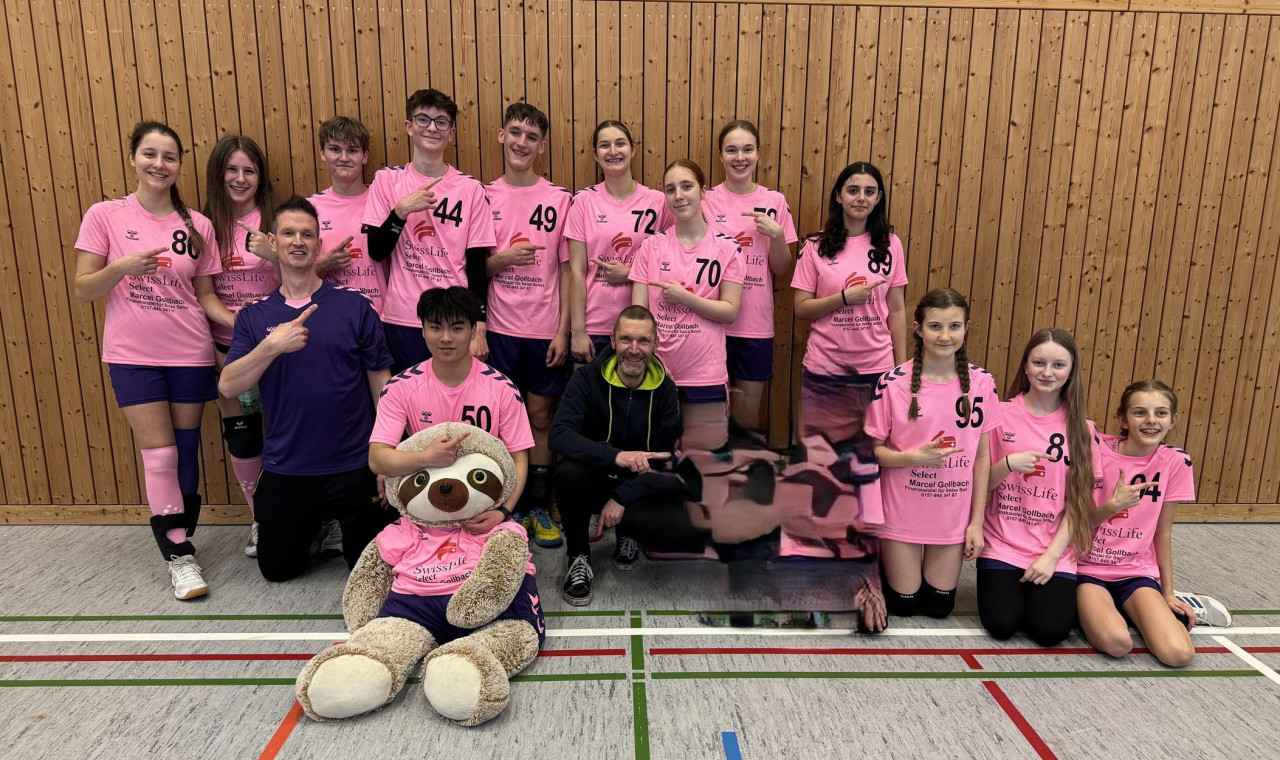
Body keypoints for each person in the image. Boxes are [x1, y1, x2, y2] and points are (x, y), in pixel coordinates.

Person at [73, 121, 231, 600]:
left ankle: (182, 535)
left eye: (169, 157)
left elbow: (205, 296)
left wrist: (244, 323)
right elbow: (84, 288)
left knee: (185, 448)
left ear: (179, 164)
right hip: (133, 355)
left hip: (190, 352)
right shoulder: (105, 215)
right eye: (150, 154)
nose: (159, 164)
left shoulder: (198, 225)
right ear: (133, 158)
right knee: (159, 454)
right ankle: (180, 557)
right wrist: (122, 267)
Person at [219, 196, 394, 582]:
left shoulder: (355, 307)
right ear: (273, 242)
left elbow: (382, 386)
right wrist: (271, 346)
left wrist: (386, 458)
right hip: (288, 467)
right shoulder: (254, 316)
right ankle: (315, 523)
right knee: (277, 571)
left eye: (307, 234)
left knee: (373, 575)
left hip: (353, 466)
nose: (298, 241)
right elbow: (229, 385)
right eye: (288, 233)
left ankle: (335, 523)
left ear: (318, 244)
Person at [864, 288, 1000, 630]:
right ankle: (868, 571)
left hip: (950, 516)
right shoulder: (891, 383)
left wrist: (976, 523)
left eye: (954, 326)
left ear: (966, 328)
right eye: (935, 326)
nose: (945, 335)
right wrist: (914, 457)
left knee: (940, 608)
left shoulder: (983, 383)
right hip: (902, 512)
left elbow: (982, 458)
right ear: (918, 329)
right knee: (904, 606)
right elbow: (871, 452)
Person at [368, 287, 533, 536]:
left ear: (473, 331)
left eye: (457, 328)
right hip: (425, 508)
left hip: (483, 507)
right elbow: (377, 458)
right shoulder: (400, 387)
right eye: (435, 327)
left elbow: (518, 457)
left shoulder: (502, 388)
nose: (445, 338)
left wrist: (503, 511)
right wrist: (424, 458)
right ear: (423, 330)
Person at [549, 306, 683, 605]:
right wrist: (615, 456)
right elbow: (558, 434)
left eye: (643, 341)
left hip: (636, 484)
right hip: (594, 477)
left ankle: (628, 532)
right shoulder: (586, 379)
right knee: (569, 472)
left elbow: (668, 458)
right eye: (626, 339)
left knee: (675, 505)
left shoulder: (665, 390)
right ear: (612, 340)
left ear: (655, 343)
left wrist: (624, 496)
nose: (634, 350)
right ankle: (578, 556)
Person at [483, 103, 573, 549]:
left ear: (542, 145)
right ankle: (507, 506)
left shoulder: (560, 199)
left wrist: (564, 331)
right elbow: (470, 268)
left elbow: (570, 271)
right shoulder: (483, 195)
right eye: (515, 132)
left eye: (531, 136)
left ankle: (537, 504)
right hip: (498, 330)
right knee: (501, 419)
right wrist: (502, 261)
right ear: (502, 135)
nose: (522, 142)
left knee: (540, 417)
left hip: (543, 331)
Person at [362, 88, 497, 373]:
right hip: (403, 317)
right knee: (408, 397)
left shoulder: (472, 189)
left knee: (454, 398)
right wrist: (400, 212)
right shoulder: (386, 180)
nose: (432, 128)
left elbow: (476, 264)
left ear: (451, 133)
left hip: (454, 320)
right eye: (423, 119)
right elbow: (376, 251)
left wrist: (479, 324)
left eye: (441, 122)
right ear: (409, 127)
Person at [978, 328, 1095, 646]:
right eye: (1039, 362)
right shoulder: (999, 415)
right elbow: (980, 485)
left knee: (1050, 632)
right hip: (1002, 545)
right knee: (1002, 625)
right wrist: (1007, 464)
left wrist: (1051, 558)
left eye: (1058, 365)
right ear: (1026, 366)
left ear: (1071, 371)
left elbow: (1079, 505)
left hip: (1053, 549)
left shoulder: (1083, 429)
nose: (1047, 372)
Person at [1076, 381, 1201, 666]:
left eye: (1161, 413)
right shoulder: (1095, 449)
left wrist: (1167, 592)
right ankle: (1089, 610)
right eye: (1140, 412)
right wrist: (1111, 507)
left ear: (1173, 420)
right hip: (1088, 568)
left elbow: (1163, 532)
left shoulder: (1176, 461)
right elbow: (1076, 522)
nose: (1151, 420)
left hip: (1135, 572)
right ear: (1122, 419)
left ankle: (1135, 608)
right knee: (1118, 643)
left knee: (1178, 654)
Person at [630, 159, 744, 451]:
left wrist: (686, 298)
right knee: (655, 458)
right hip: (656, 371)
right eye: (670, 189)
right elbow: (637, 317)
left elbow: (730, 311)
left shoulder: (727, 247)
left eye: (686, 186)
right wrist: (652, 361)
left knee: (704, 459)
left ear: (703, 191)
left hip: (705, 373)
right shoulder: (651, 246)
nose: (679, 195)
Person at [792, 161, 908, 448]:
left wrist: (901, 368)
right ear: (838, 196)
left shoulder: (891, 244)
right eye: (853, 190)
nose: (861, 198)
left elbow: (897, 309)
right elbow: (801, 308)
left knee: (869, 453)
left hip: (877, 365)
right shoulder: (815, 245)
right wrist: (844, 298)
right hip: (826, 365)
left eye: (869, 191)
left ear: (878, 198)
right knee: (823, 455)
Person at [202, 134, 280, 558]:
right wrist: (239, 324)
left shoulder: (275, 220)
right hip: (228, 348)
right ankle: (260, 520)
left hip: (279, 347)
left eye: (249, 170)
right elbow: (204, 294)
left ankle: (307, 518)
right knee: (244, 438)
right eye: (232, 169)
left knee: (284, 434)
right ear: (219, 173)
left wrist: (274, 253)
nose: (240, 178)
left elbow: (300, 279)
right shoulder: (202, 226)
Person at [702, 120, 798, 435]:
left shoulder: (774, 202)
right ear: (721, 156)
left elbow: (781, 269)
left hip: (755, 324)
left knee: (745, 417)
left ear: (758, 153)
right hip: (710, 322)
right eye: (731, 150)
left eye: (747, 149)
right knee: (709, 416)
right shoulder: (706, 200)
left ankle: (742, 466)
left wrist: (777, 236)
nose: (740, 157)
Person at [566, 120, 672, 364]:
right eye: (605, 145)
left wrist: (630, 274)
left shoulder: (658, 202)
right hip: (594, 325)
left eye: (620, 144)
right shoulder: (583, 201)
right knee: (588, 390)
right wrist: (578, 331)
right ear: (595, 155)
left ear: (633, 150)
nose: (613, 151)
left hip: (641, 329)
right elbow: (576, 270)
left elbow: (673, 265)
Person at [310, 116, 385, 315]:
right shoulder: (310, 208)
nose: (344, 158)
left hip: (380, 317)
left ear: (365, 156)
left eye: (352, 150)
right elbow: (294, 276)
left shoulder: (383, 201)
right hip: (331, 318)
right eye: (335, 149)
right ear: (322, 153)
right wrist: (322, 265)